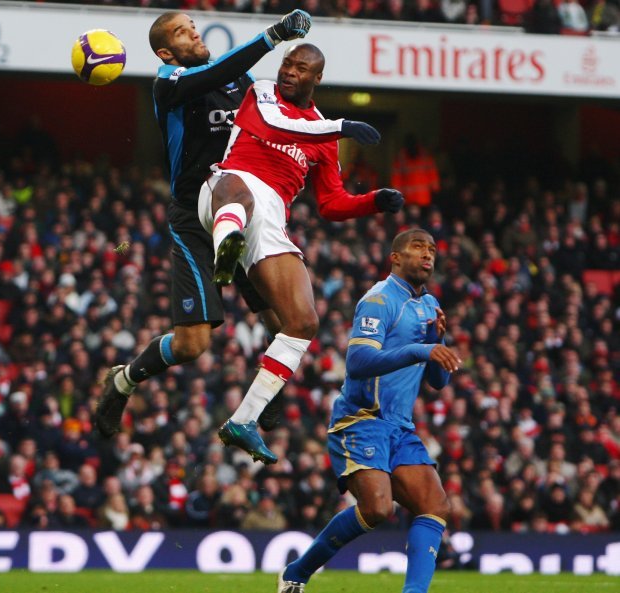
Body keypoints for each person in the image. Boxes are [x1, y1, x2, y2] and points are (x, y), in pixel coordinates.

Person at [95, 8, 313, 438]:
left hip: (244, 211)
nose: (194, 33)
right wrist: (271, 37)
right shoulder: (170, 83)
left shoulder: (242, 85)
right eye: (182, 31)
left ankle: (267, 389)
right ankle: (122, 382)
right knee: (193, 345)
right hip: (194, 218)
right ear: (165, 51)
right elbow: (216, 73)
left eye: (193, 26)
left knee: (286, 320)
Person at [199, 43, 405, 463]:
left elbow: (331, 202)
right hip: (228, 187)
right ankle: (225, 247)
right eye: (287, 64)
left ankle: (243, 420)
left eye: (301, 68)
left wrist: (373, 201)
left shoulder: (322, 135)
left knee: (303, 321)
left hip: (272, 217)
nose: (289, 72)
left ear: (317, 78)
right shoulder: (263, 93)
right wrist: (343, 125)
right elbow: (276, 128)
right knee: (240, 194)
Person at [277, 228, 462, 593]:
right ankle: (297, 572)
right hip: (361, 419)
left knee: (435, 505)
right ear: (395, 257)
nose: (427, 255)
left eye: (432, 249)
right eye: (417, 247)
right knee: (377, 508)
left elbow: (437, 382)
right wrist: (422, 350)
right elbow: (359, 361)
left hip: (400, 426)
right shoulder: (379, 299)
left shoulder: (429, 305)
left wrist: (435, 343)